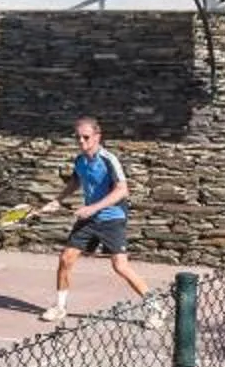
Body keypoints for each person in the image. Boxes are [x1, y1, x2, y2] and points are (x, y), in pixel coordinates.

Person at [42, 115, 150, 325]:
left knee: (120, 266)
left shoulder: (109, 160)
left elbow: (122, 190)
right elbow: (75, 182)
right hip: (90, 219)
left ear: (97, 136)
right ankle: (60, 307)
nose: (82, 142)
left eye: (86, 137)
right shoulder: (80, 160)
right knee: (66, 259)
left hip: (112, 217)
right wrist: (57, 200)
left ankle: (155, 308)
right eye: (78, 138)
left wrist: (92, 208)